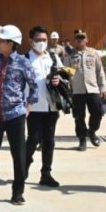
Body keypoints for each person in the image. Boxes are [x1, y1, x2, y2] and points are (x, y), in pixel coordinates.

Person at [0, 25, 38, 205]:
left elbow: (34, 85)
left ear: (12, 43)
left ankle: (18, 191)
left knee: (18, 154)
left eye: (2, 41)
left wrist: (28, 105)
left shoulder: (23, 62)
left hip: (15, 114)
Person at [25, 25, 63, 187]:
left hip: (51, 106)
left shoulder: (53, 58)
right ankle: (23, 168)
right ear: (30, 41)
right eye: (38, 40)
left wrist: (59, 80)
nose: (41, 43)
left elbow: (64, 76)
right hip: (33, 107)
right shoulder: (25, 59)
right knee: (33, 139)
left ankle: (46, 173)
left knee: (49, 141)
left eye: (44, 40)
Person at [63, 29, 106, 151]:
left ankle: (92, 131)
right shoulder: (70, 56)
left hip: (93, 89)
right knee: (78, 117)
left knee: (98, 112)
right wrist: (66, 90)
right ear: (74, 41)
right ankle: (82, 139)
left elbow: (100, 71)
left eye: (82, 38)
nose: (80, 40)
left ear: (87, 40)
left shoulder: (93, 53)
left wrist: (103, 87)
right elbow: (66, 74)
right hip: (77, 91)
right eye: (77, 38)